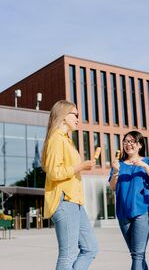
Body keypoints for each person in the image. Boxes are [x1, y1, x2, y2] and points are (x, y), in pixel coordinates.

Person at [41, 100, 98, 270]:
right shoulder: (56, 139)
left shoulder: (67, 140)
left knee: (90, 248)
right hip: (64, 201)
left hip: (75, 202)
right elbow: (54, 172)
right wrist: (81, 166)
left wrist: (82, 167)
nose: (78, 119)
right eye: (76, 115)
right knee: (68, 255)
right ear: (63, 116)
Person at [109, 131, 149, 270]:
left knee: (137, 255)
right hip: (122, 213)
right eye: (126, 141)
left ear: (139, 145)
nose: (128, 144)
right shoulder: (118, 164)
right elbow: (113, 187)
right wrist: (115, 172)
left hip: (142, 211)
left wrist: (143, 165)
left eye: (132, 141)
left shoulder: (148, 161)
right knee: (137, 255)